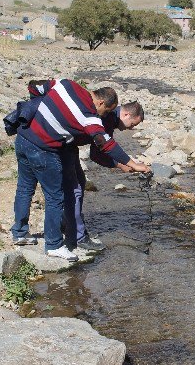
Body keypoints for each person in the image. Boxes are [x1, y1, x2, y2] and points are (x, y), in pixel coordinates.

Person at [9, 79, 150, 262]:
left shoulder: (67, 84)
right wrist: (132, 164)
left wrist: (42, 110)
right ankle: (59, 243)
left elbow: (34, 86)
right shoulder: (93, 116)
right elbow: (102, 146)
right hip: (48, 147)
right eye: (133, 125)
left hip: (24, 136)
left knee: (26, 187)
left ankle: (20, 233)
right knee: (59, 195)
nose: (130, 129)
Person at [62, 100, 145, 252]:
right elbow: (96, 154)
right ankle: (78, 236)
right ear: (126, 114)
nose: (131, 128)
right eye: (132, 124)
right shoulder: (107, 117)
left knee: (78, 182)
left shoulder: (110, 118)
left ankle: (65, 221)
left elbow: (99, 152)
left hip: (68, 143)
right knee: (75, 189)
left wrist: (122, 165)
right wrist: (123, 165)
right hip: (62, 144)